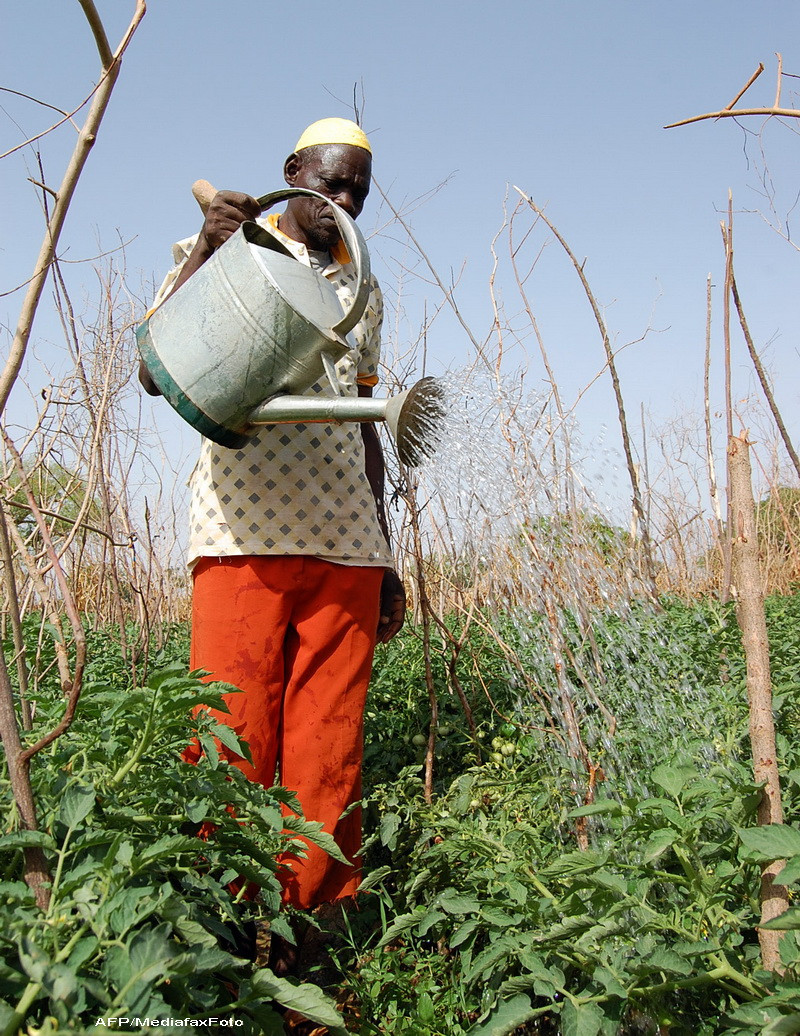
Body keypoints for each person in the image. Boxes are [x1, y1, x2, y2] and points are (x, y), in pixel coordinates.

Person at [139, 117, 405, 938]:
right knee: (228, 740)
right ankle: (219, 942)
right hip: (239, 533)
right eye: (331, 181)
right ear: (294, 171)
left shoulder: (362, 287)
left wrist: (387, 549)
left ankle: (313, 956)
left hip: (346, 545)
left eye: (358, 188)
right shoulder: (226, 245)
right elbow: (153, 373)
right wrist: (208, 253)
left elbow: (364, 419)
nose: (345, 199)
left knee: (330, 755)